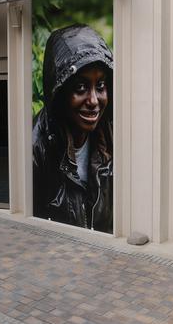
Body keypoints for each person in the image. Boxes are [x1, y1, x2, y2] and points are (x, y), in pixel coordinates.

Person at [32, 25, 114, 233]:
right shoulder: (35, 148)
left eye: (101, 86)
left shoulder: (114, 135)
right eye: (80, 88)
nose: (94, 100)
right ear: (59, 93)